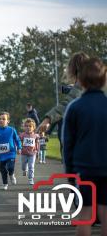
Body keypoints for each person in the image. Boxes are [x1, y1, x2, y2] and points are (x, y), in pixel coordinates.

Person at [62, 57, 107, 236]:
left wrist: (70, 173)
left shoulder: (75, 107)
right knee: (105, 209)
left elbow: (68, 144)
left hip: (85, 168)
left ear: (80, 81)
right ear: (104, 80)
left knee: (85, 211)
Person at [0, 112, 22, 190]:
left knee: (10, 167)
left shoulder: (11, 130)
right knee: (3, 170)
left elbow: (17, 139)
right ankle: (5, 184)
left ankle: (11, 175)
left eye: (3, 119)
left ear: (8, 121)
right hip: (1, 155)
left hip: (11, 153)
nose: (1, 120)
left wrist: (19, 148)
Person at [19, 118, 39, 185]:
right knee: (23, 166)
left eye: (30, 126)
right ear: (24, 127)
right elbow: (19, 142)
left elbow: (37, 144)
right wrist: (19, 148)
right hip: (24, 153)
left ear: (33, 127)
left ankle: (31, 179)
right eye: (26, 126)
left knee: (31, 166)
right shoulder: (22, 135)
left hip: (32, 154)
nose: (28, 127)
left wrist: (37, 151)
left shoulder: (36, 136)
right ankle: (24, 170)